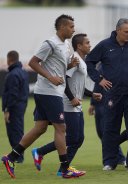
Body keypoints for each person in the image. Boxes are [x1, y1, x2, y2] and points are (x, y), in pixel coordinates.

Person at [1, 14, 80, 179]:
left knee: (40, 128)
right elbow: (32, 62)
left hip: (50, 91)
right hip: (49, 91)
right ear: (62, 27)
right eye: (71, 27)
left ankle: (11, 158)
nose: (74, 30)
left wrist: (70, 65)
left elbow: (58, 67)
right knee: (61, 128)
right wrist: (50, 77)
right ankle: (65, 169)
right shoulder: (50, 43)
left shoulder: (65, 45)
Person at [86, 18, 128, 171]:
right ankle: (109, 162)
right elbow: (89, 61)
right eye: (126, 31)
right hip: (112, 94)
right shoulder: (105, 45)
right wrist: (99, 79)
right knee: (110, 129)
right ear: (118, 31)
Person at [31, 33, 102, 176]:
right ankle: (54, 163)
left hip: (75, 104)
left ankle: (56, 164)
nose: (90, 45)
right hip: (67, 104)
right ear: (79, 46)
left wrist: (91, 94)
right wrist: (71, 98)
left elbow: (78, 85)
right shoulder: (73, 59)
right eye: (87, 43)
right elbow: (64, 80)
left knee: (78, 139)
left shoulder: (81, 61)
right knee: (71, 138)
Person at [2, 50, 29, 163]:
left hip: (14, 108)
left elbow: (12, 94)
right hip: (21, 106)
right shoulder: (23, 73)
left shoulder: (12, 74)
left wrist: (7, 109)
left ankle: (17, 156)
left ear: (9, 59)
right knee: (18, 130)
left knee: (14, 132)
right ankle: (16, 155)